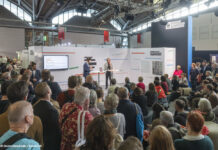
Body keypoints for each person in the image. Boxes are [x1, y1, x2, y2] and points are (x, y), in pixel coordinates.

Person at [0, 81, 43, 146]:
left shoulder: (1, 119)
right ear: (25, 98)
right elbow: (40, 145)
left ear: (8, 97)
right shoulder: (36, 121)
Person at [33, 82, 61, 150]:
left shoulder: (33, 107)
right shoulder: (52, 111)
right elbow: (57, 130)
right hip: (51, 144)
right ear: (49, 92)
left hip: (38, 142)